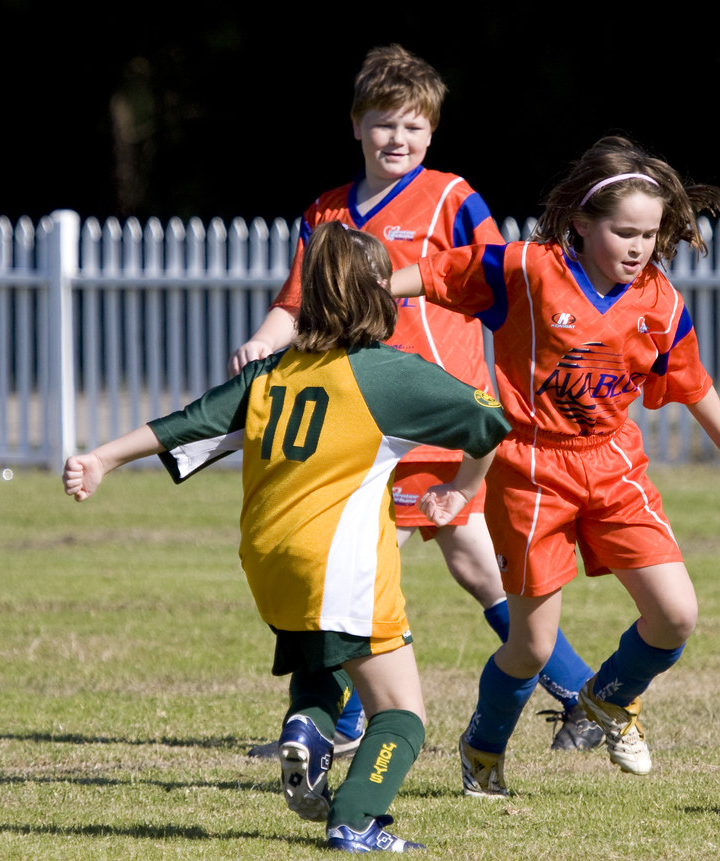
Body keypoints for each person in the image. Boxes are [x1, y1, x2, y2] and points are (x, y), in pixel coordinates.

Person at [63, 222, 511, 852]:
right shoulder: (387, 374)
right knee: (401, 715)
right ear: (380, 295)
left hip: (269, 560)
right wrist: (462, 490)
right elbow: (490, 419)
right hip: (339, 565)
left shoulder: (271, 372)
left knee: (322, 666)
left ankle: (306, 728)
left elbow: (188, 423)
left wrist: (102, 458)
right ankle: (355, 819)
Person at [230, 44, 602, 754]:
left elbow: (499, 279)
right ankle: (582, 695)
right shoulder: (326, 211)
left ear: (432, 132)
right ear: (356, 125)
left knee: (349, 572)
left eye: (413, 126)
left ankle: (336, 723)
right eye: (383, 123)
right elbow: (297, 300)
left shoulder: (452, 198)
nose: (397, 139)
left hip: (427, 415)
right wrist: (261, 341)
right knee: (472, 566)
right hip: (359, 419)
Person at [390, 136, 720, 797]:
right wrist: (373, 289)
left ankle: (609, 696)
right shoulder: (528, 269)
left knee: (675, 615)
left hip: (612, 463)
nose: (638, 247)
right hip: (530, 466)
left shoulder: (658, 299)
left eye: (649, 235)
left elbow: (689, 379)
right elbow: (437, 273)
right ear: (581, 222)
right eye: (624, 232)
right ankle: (483, 749)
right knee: (532, 646)